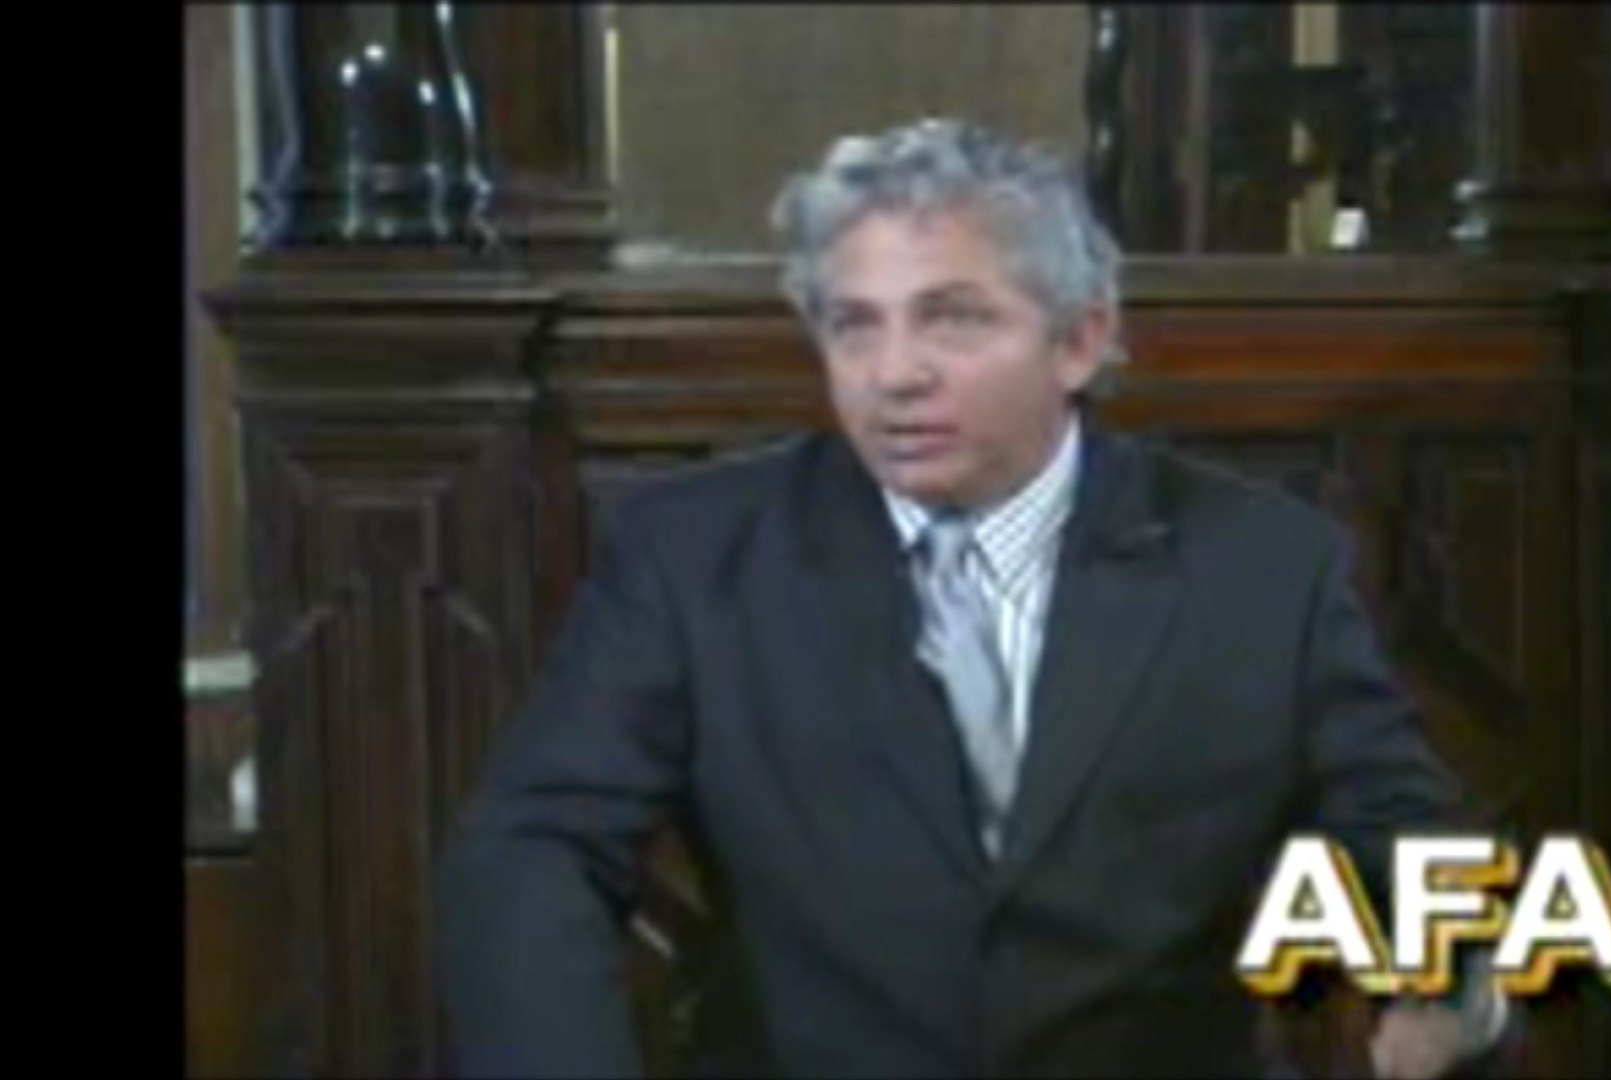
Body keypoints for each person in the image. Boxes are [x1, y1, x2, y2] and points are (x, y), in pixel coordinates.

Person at [436, 119, 1511, 1079]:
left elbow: (1398, 832)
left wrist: (1449, 988)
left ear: (1079, 339)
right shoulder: (693, 555)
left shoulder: (1261, 564)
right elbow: (535, 844)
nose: (894, 373)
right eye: (855, 326)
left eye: (951, 320)